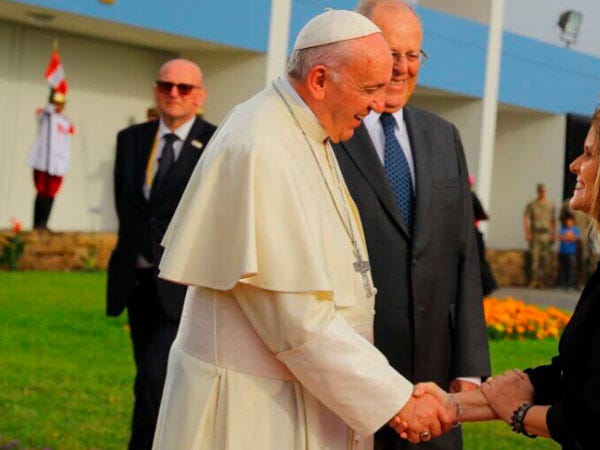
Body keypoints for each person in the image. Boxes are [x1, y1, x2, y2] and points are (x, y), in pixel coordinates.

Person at [151, 10, 452, 449]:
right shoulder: (262, 146)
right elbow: (296, 321)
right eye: (368, 89)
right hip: (249, 407)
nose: (375, 105)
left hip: (297, 393)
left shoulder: (304, 127)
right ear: (319, 80)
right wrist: (396, 399)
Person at [405, 92, 600, 450]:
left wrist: (518, 414)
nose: (574, 164)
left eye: (588, 154)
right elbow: (569, 376)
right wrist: (452, 405)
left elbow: (596, 416)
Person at [330, 2, 490, 448]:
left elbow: (464, 256)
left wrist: (469, 369)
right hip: (351, 386)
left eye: (412, 55)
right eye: (389, 53)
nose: (401, 68)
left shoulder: (444, 136)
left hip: (435, 391)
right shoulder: (331, 134)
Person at [105, 58, 217, 450]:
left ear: (199, 96)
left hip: (181, 287)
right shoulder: (130, 139)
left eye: (184, 88)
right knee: (149, 379)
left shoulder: (215, 143)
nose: (173, 93)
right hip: (135, 284)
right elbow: (128, 205)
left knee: (153, 377)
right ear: (156, 89)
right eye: (166, 85)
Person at [26, 88, 74, 230]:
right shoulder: (46, 116)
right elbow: (45, 113)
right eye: (55, 103)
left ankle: (44, 223)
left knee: (51, 193)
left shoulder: (65, 122)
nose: (58, 106)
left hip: (57, 164)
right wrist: (53, 92)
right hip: (43, 162)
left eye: (61, 104)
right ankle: (37, 224)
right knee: (41, 191)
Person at [524, 183, 556, 288]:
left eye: (543, 191)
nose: (542, 193)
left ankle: (544, 282)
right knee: (534, 258)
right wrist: (527, 233)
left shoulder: (550, 204)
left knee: (546, 259)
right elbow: (527, 219)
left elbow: (553, 221)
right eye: (540, 191)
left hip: (546, 234)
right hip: (535, 234)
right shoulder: (532, 204)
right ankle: (533, 281)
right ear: (537, 191)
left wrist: (553, 234)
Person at [470, 176, 498, 296]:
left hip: (460, 234)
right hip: (473, 234)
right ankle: (487, 287)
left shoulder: (458, 196)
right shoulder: (471, 196)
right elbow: (482, 214)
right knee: (479, 260)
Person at [556, 213, 579, 289]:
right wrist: (568, 237)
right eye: (567, 221)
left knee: (571, 269)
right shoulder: (563, 229)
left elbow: (575, 238)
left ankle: (570, 284)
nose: (568, 222)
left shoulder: (575, 229)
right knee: (562, 268)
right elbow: (559, 237)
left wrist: (566, 237)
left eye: (570, 221)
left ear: (573, 221)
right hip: (563, 252)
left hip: (571, 252)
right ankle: (562, 283)